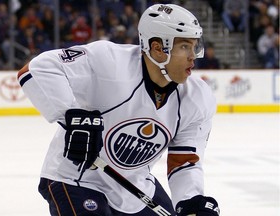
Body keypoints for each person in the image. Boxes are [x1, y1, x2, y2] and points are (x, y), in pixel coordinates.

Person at [17, 4, 220, 216]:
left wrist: (191, 203)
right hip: (76, 178)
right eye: (185, 47)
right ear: (158, 48)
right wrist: (73, 119)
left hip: (135, 187)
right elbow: (36, 69)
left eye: (195, 46)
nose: (193, 56)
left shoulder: (198, 98)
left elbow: (184, 162)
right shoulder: (109, 61)